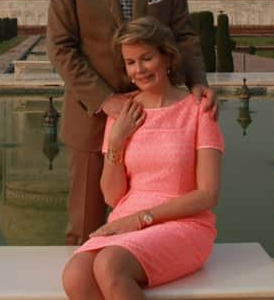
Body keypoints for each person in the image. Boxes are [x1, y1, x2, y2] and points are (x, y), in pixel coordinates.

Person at [47, 0, 215, 247]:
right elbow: (60, 48)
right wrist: (108, 101)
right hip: (94, 118)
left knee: (160, 224)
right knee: (86, 228)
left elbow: (183, 34)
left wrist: (198, 80)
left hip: (159, 117)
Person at [62, 16, 224, 298]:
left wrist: (142, 219)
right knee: (76, 275)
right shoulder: (123, 112)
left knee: (110, 264)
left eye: (146, 58)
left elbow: (207, 195)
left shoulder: (198, 110)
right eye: (130, 62)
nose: (139, 70)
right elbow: (113, 197)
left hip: (184, 223)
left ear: (168, 57)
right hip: (127, 220)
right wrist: (116, 141)